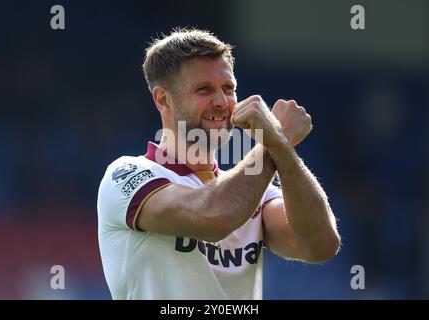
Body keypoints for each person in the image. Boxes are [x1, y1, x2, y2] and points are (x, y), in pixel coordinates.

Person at [97, 28, 340, 300]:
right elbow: (213, 217)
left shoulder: (253, 187)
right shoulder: (126, 176)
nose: (222, 102)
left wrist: (279, 147)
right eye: (204, 90)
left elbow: (321, 246)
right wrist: (275, 142)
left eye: (229, 88)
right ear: (163, 99)